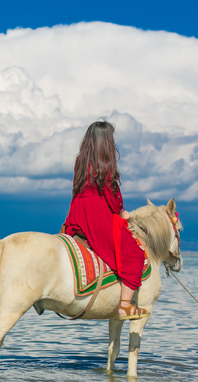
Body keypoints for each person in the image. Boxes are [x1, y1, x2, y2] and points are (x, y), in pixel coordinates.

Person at [64, 120, 149, 320]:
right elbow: (112, 196)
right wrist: (122, 212)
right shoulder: (105, 164)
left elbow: (77, 189)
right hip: (97, 215)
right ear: (105, 142)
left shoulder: (80, 161)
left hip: (77, 213)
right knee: (134, 254)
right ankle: (125, 306)